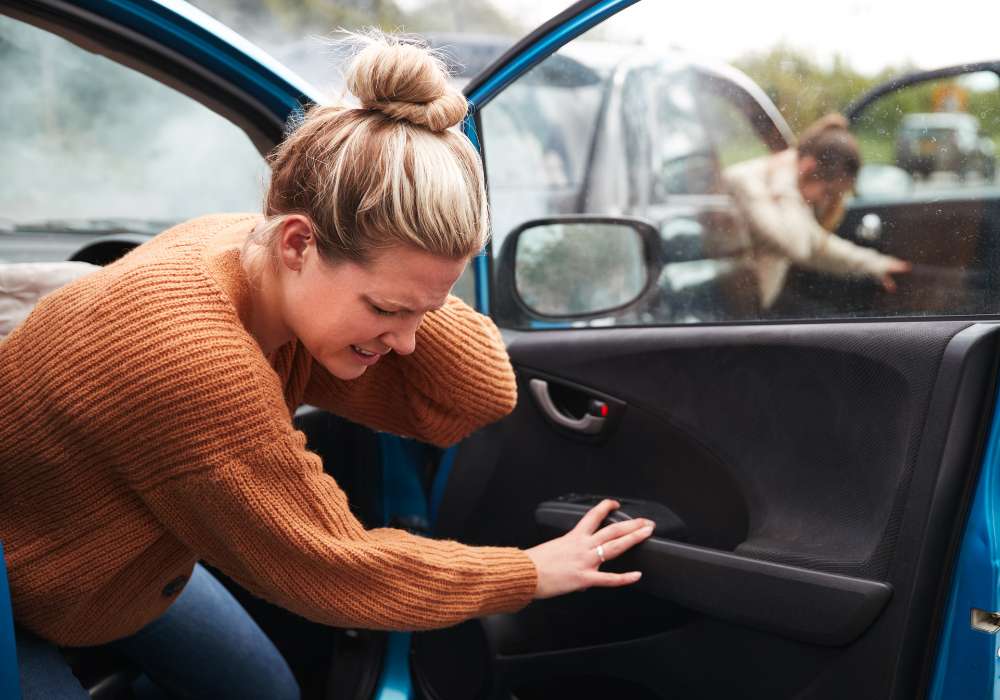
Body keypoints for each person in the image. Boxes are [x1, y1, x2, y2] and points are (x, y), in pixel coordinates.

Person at [0, 33, 654, 699]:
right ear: (297, 243)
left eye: (425, 316)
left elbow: (477, 393)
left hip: (120, 572)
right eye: (384, 309)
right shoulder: (193, 360)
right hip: (20, 586)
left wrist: (414, 288)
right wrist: (530, 574)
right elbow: (338, 569)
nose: (404, 343)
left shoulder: (252, 248)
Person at [723, 113, 912, 311]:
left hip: (752, 311)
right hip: (727, 320)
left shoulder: (787, 192)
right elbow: (796, 246)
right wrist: (785, 173)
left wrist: (876, 265)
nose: (824, 202)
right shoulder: (747, 183)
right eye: (828, 193)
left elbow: (815, 243)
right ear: (807, 168)